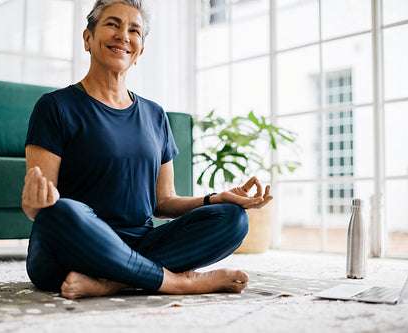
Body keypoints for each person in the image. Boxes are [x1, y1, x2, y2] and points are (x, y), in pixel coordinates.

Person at [21, 0, 273, 300]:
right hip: (72, 249)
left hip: (140, 242)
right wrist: (33, 201)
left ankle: (113, 282)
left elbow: (163, 202)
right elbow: (39, 208)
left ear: (139, 51)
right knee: (61, 209)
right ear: (87, 38)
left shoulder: (155, 115)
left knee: (232, 219)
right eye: (112, 24)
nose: (123, 35)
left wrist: (215, 198)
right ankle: (180, 283)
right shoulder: (54, 107)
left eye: (134, 30)